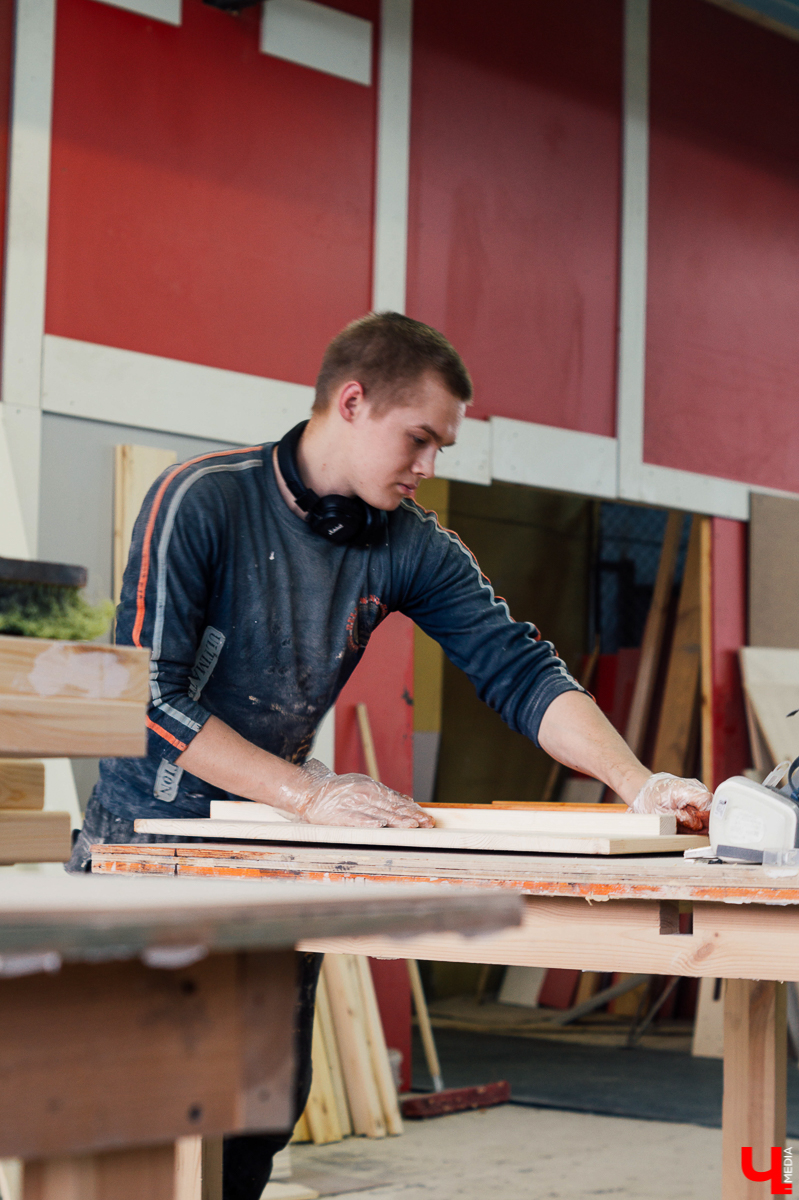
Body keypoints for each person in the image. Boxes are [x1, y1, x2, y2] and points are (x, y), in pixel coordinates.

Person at [68, 312, 711, 1197]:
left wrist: (638, 783)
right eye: (419, 439)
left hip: (270, 854)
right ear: (353, 400)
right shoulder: (202, 499)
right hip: (147, 848)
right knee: (135, 1121)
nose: (427, 467)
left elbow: (519, 669)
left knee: (255, 1118)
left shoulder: (405, 542)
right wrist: (309, 796)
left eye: (440, 447)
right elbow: (147, 698)